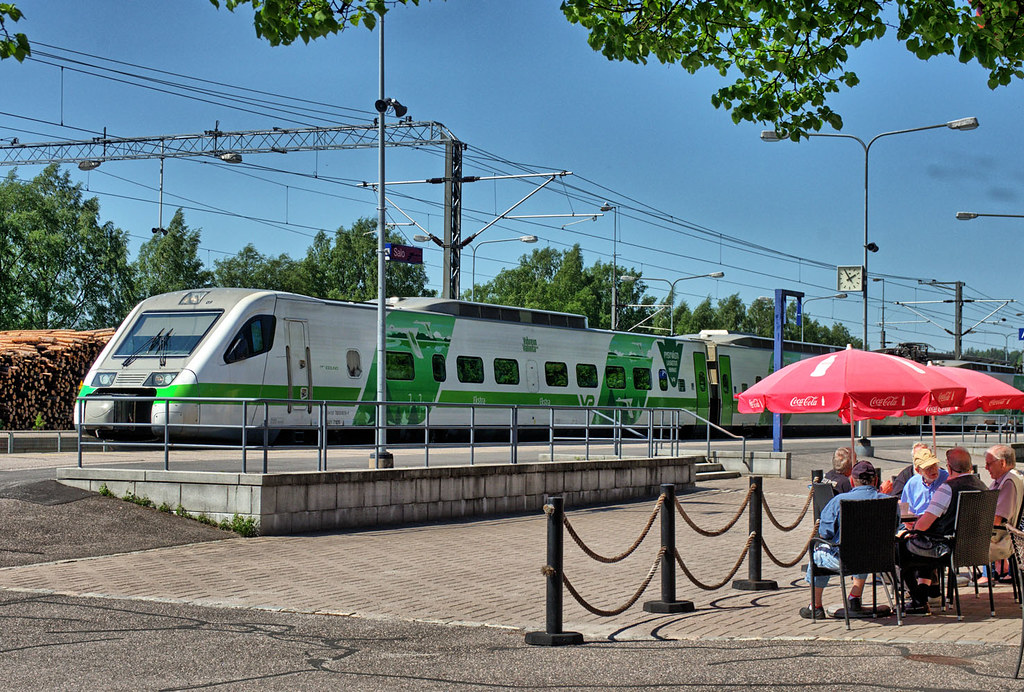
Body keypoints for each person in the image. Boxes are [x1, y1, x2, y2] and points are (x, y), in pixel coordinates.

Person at [802, 460, 895, 619]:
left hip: (846, 559)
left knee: (818, 552)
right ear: (876, 480)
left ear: (852, 480)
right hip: (879, 559)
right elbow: (896, 526)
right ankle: (855, 598)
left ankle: (815, 606)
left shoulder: (839, 501)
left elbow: (825, 533)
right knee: (865, 546)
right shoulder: (888, 500)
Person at [898, 446, 987, 615]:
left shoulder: (948, 488)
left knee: (900, 548)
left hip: (946, 547)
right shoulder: (982, 486)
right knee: (923, 543)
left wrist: (914, 528)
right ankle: (925, 592)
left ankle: (918, 598)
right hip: (975, 548)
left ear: (948, 466)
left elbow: (923, 525)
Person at [978, 444, 1024, 585]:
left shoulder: (1009, 482)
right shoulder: (1009, 477)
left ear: (1002, 463)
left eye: (989, 464)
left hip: (1004, 538)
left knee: (951, 542)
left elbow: (997, 519)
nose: (985, 467)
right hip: (1004, 535)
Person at [899, 448, 948, 517]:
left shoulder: (948, 478)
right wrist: (908, 522)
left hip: (942, 522)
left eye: (934, 465)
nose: (933, 470)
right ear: (918, 471)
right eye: (928, 468)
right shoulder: (912, 483)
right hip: (917, 521)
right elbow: (905, 511)